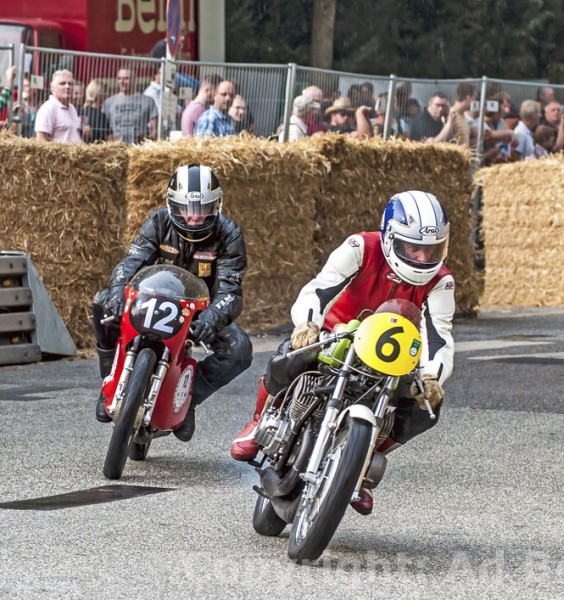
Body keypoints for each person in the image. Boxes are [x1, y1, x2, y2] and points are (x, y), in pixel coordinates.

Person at [230, 191, 455, 515]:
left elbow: (439, 337)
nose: (421, 257)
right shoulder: (361, 247)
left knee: (427, 406)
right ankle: (258, 422)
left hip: (394, 359)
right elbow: (320, 288)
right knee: (288, 357)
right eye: (413, 247)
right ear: (391, 237)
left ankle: (359, 463)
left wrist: (432, 375)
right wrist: (308, 324)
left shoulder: (441, 281)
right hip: (335, 337)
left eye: (431, 250)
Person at [91, 164, 252, 441]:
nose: (193, 219)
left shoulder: (230, 234)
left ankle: (187, 400)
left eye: (202, 210)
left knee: (240, 349)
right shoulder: (158, 221)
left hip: (201, 312)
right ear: (171, 205)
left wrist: (212, 318)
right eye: (186, 210)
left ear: (217, 205)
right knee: (101, 303)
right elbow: (130, 263)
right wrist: (118, 291)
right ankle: (109, 384)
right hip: (151, 299)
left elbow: (231, 290)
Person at [102, 67, 158, 144]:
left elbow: (154, 130)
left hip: (139, 149)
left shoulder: (148, 101)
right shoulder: (109, 102)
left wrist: (148, 143)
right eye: (119, 78)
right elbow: (103, 129)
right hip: (116, 149)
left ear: (134, 79)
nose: (122, 82)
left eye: (126, 78)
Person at [34, 69, 89, 143]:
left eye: (70, 84)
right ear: (52, 87)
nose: (67, 86)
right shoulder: (48, 108)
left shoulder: (72, 108)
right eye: (62, 83)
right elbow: (42, 142)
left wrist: (84, 136)